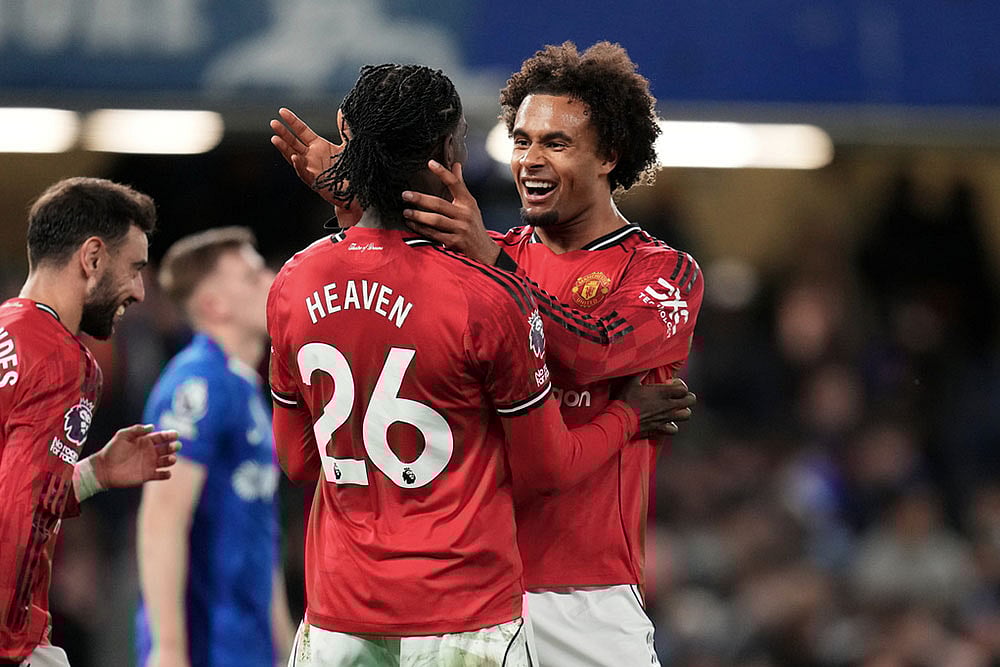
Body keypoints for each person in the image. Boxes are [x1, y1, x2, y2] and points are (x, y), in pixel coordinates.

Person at [271, 41, 703, 666]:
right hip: (471, 592)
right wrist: (359, 188)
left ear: (610, 155)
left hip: (582, 595)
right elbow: (385, 266)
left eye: (556, 143)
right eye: (521, 140)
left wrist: (491, 259)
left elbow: (596, 348)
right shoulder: (481, 258)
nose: (530, 159)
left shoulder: (661, 271)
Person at [0, 177, 181, 666]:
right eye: (135, 268)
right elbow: (17, 502)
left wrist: (94, 473)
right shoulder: (62, 360)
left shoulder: (7, 331)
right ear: (93, 257)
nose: (140, 292)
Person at [134, 227, 295, 667]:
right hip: (207, 646)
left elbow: (262, 538)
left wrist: (284, 649)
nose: (273, 278)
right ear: (213, 305)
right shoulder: (197, 385)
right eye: (251, 275)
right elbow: (162, 519)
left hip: (249, 645)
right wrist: (168, 649)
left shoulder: (245, 389)